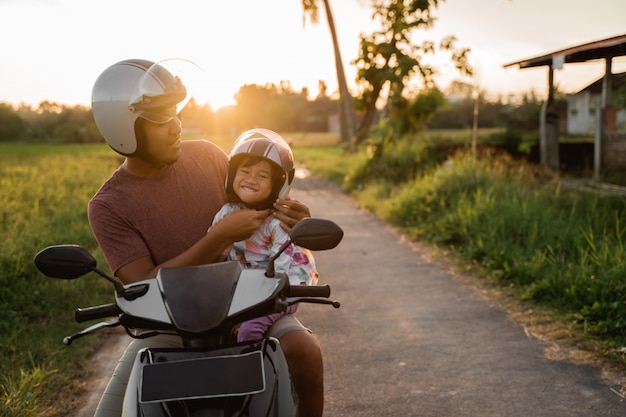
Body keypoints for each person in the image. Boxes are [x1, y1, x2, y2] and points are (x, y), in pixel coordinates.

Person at [87, 59, 324, 417]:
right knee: (110, 413)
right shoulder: (108, 205)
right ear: (125, 127)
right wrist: (217, 239)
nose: (176, 127)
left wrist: (296, 221)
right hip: (169, 326)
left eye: (176, 114)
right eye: (161, 119)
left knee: (305, 350)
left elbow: (261, 196)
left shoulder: (209, 157)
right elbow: (143, 284)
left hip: (249, 309)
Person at [211, 128, 319, 342]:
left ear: (277, 185)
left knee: (249, 331)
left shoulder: (278, 222)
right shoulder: (227, 212)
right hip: (247, 286)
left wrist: (251, 310)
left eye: (262, 176)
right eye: (245, 172)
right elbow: (214, 245)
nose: (251, 180)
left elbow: (280, 270)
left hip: (281, 289)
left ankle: (250, 370)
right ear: (232, 174)